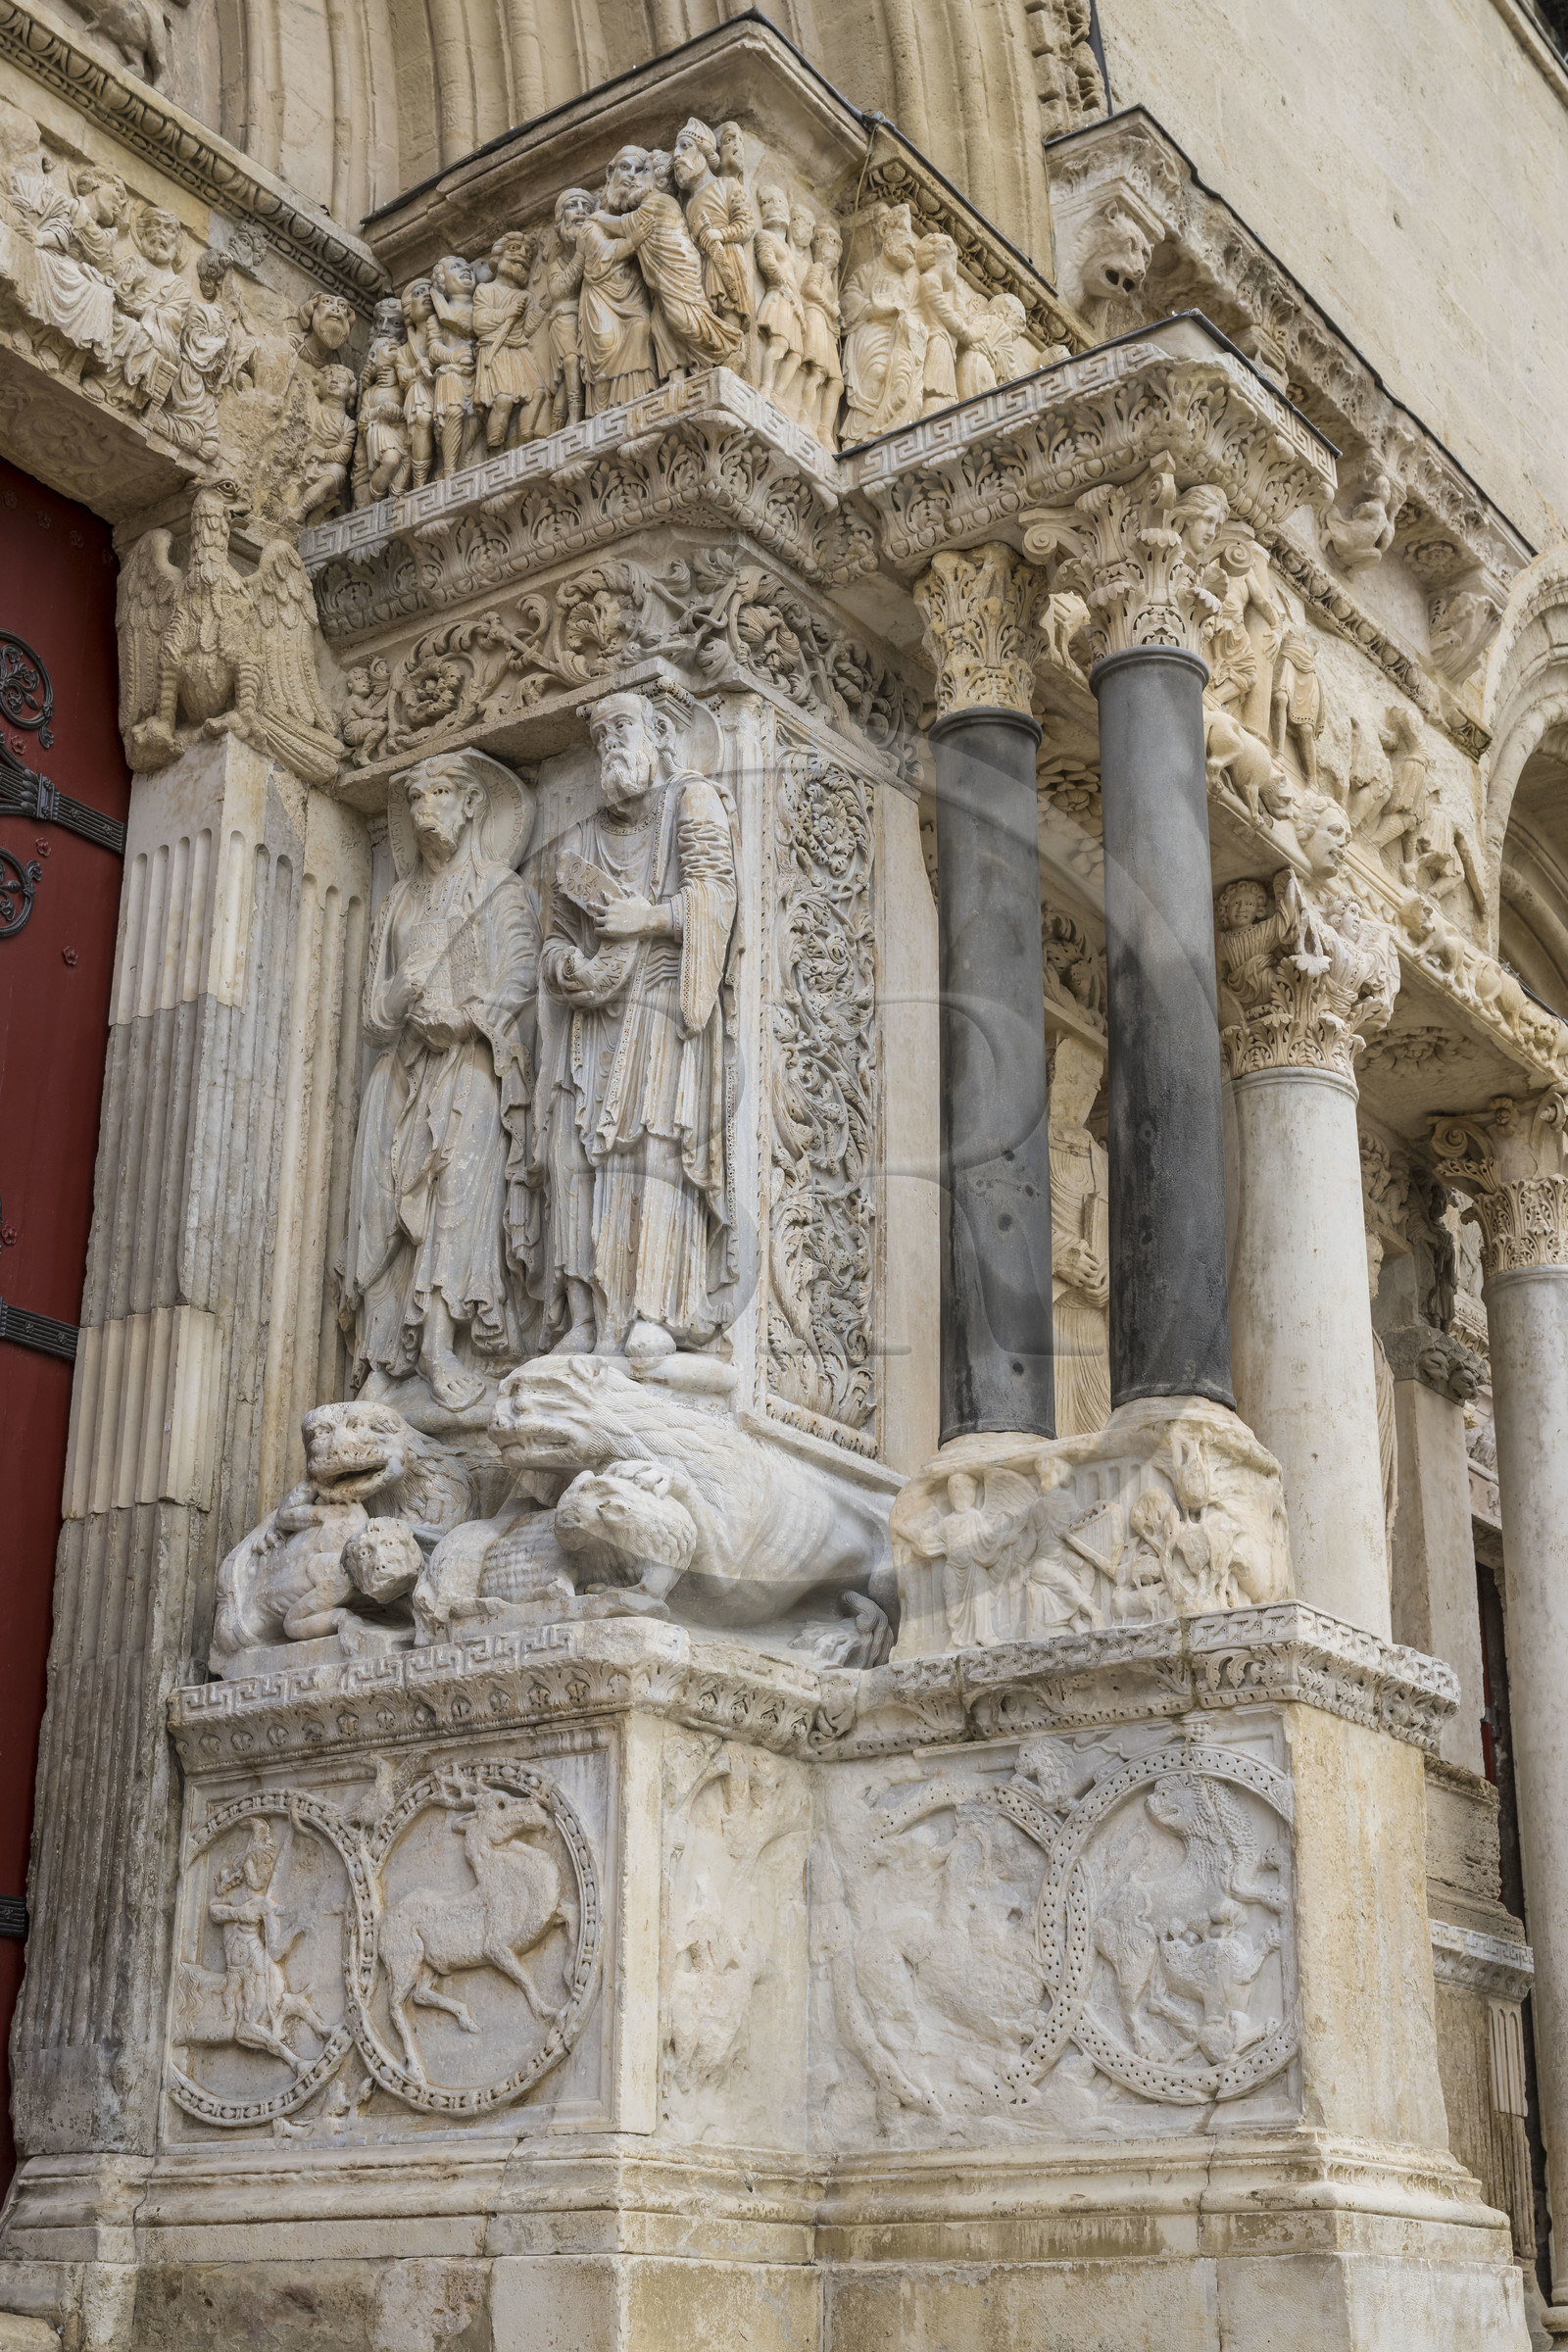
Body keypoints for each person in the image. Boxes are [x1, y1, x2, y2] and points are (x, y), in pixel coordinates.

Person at [534, 692, 737, 1356]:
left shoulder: (693, 801)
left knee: (651, 1148)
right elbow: (555, 941)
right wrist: (573, 972)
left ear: (658, 734)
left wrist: (648, 919)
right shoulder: (581, 841)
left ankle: (653, 1307)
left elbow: (716, 894)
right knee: (583, 1157)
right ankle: (592, 1314)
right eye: (600, 737)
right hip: (596, 1026)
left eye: (623, 729)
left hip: (661, 1009)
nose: (611, 746)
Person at [341, 751, 539, 1412]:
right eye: (416, 800)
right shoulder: (398, 900)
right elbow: (373, 1017)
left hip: (472, 1066)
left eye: (440, 795)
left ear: (472, 805)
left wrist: (461, 1018)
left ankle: (441, 1345)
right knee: (385, 1206)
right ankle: (385, 1355)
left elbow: (521, 976)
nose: (427, 812)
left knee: (458, 1196)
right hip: (401, 1076)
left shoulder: (500, 889)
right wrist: (403, 991)